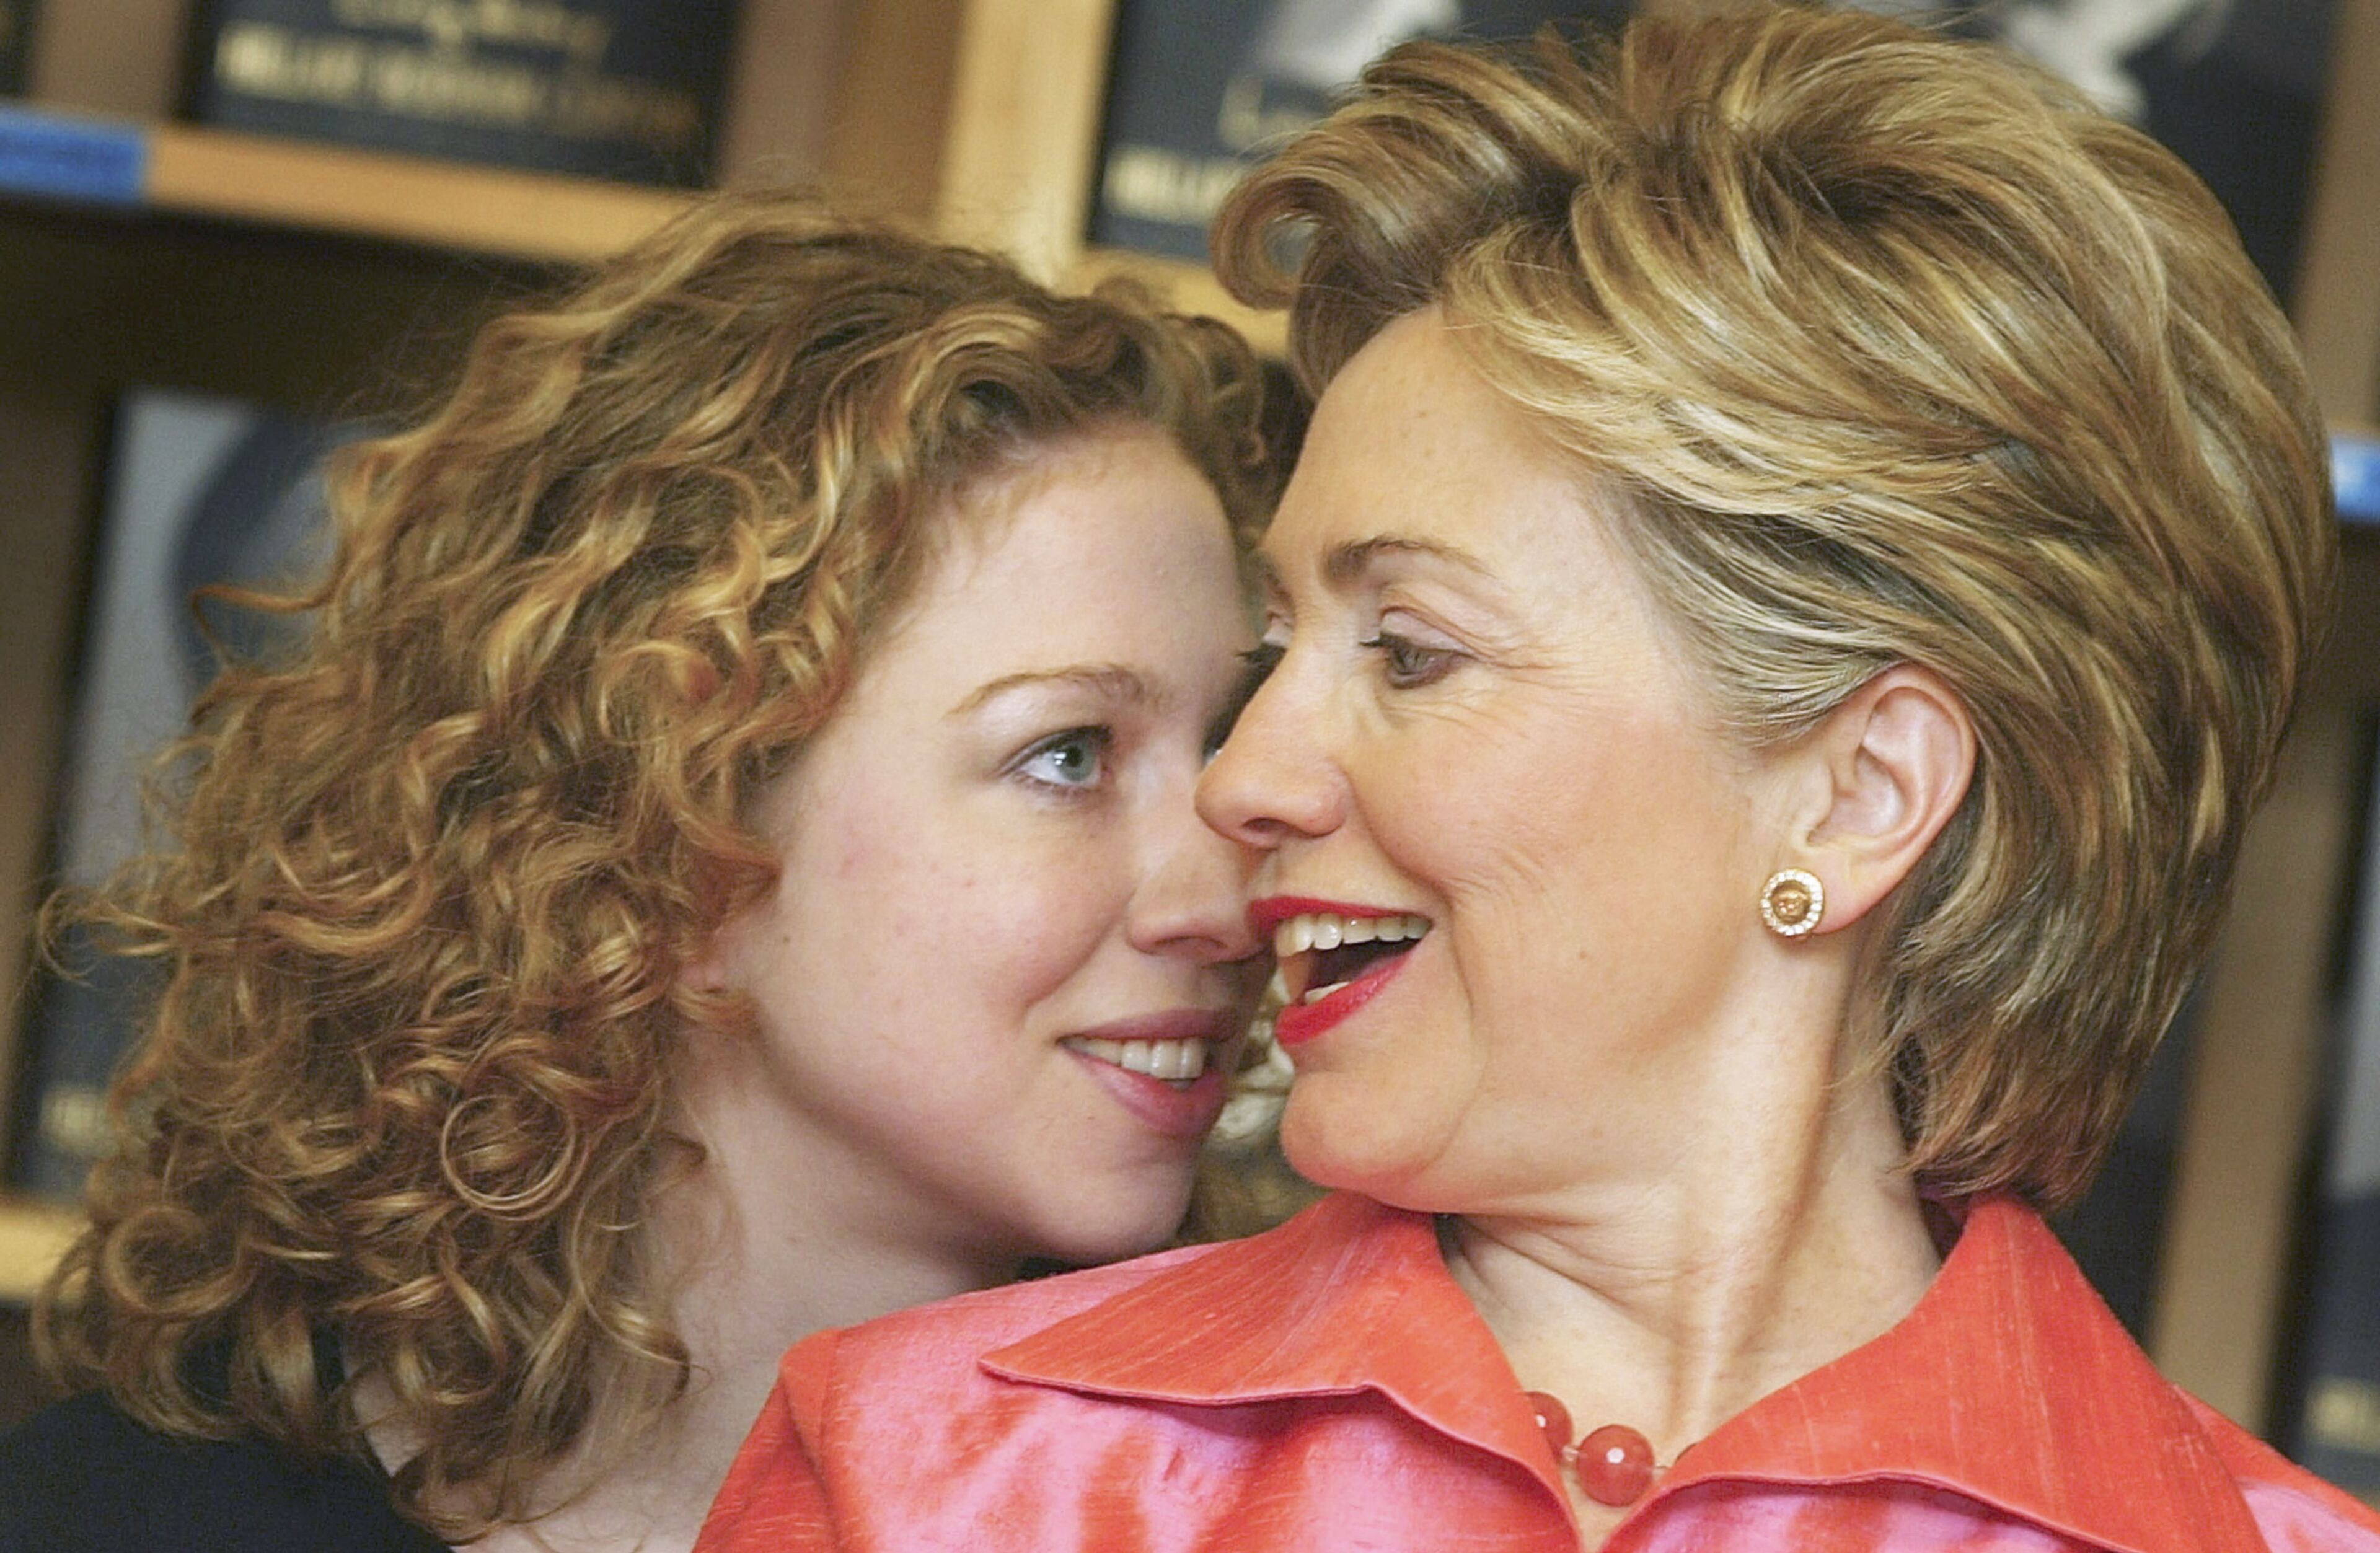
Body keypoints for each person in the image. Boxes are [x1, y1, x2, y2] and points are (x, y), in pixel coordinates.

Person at [692, 7, 2380, 1551]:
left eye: (1412, 651)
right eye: (1281, 645)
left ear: (1863, 792)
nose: (1245, 779)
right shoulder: (936, 1478)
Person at [0, 191, 1276, 1552]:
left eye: (1227, 744)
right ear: (678, 815)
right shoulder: (117, 1517)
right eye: (1068, 755)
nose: (1227, 896)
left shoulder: (1321, 1508)